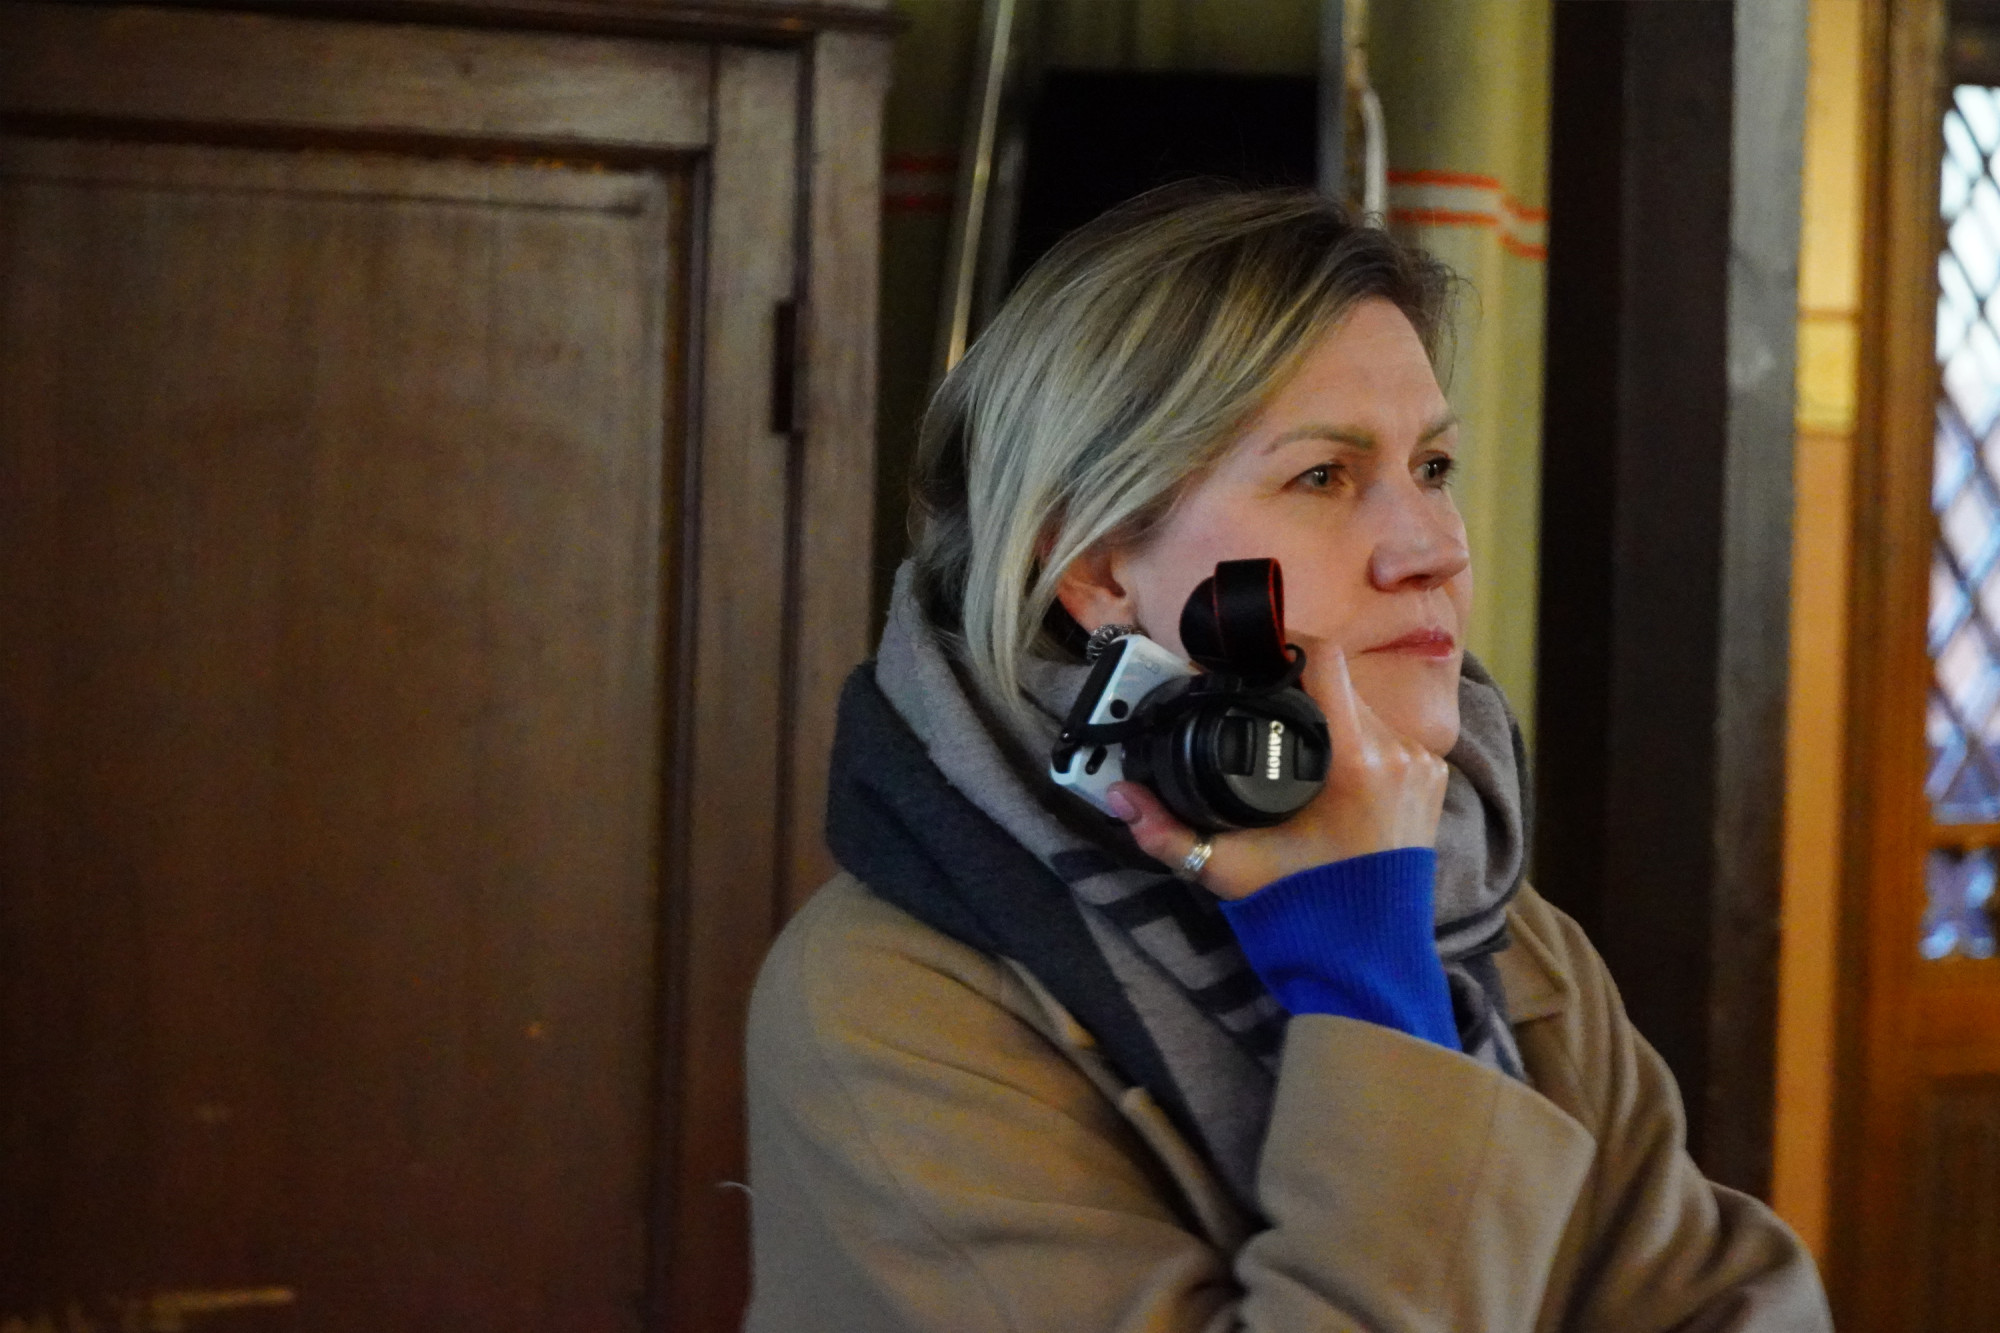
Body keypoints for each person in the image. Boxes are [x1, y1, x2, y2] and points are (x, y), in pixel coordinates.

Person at [743, 185, 1831, 1332]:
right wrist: (1373, 994)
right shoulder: (886, 1007)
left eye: (1433, 467)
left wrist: (1380, 930)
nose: (1430, 547)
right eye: (1322, 476)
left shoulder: (1493, 920)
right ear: (1096, 566)